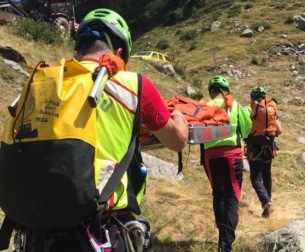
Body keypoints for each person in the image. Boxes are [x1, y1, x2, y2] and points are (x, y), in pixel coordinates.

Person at [23, 8, 188, 251]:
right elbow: (177, 141)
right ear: (119, 52)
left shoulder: (43, 81)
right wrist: (179, 116)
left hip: (36, 232)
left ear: (79, 47)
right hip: (99, 232)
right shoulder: (134, 84)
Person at [202, 76, 252, 252]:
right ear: (226, 90)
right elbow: (247, 129)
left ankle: (223, 236)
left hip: (210, 157)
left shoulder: (202, 107)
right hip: (232, 156)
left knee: (218, 194)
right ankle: (226, 243)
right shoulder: (235, 106)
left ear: (211, 91)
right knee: (232, 196)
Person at [246, 87, 282, 218]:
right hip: (268, 147)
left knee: (255, 177)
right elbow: (279, 130)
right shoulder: (271, 109)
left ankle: (266, 202)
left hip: (255, 147)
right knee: (267, 176)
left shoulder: (251, 109)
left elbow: (246, 128)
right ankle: (268, 206)